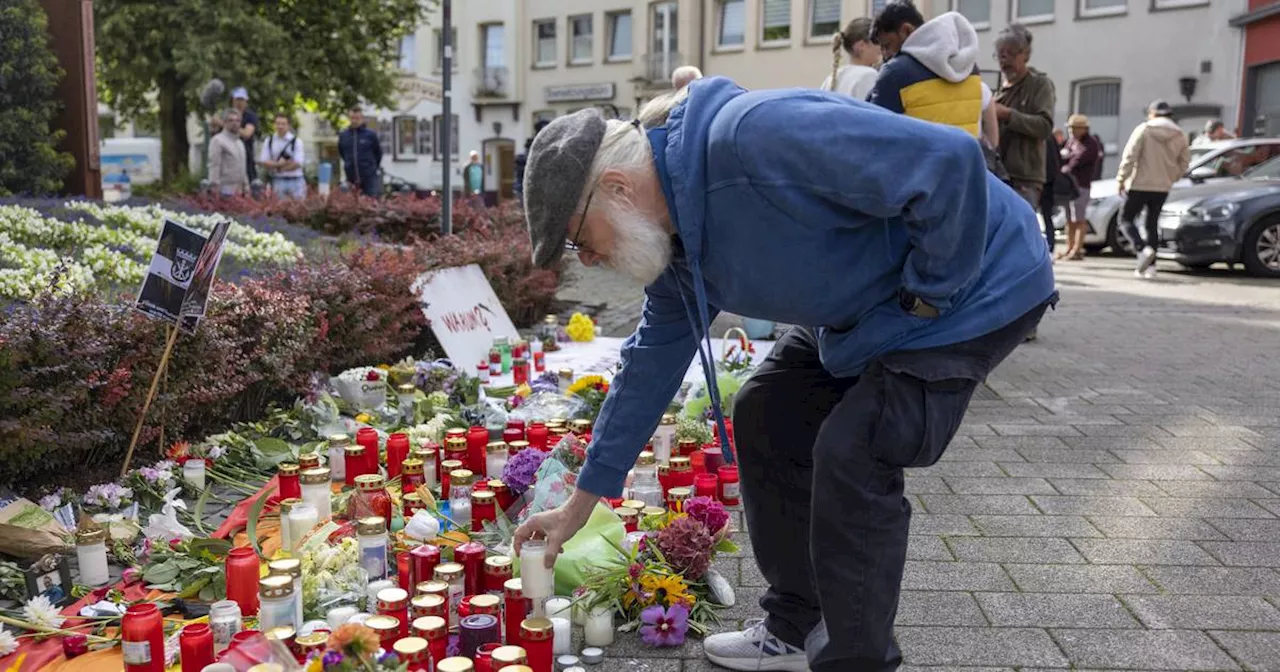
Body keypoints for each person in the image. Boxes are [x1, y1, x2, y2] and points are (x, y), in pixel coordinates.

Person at [515, 77, 1056, 672]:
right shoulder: (675, 249)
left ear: (616, 188)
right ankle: (794, 628)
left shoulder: (756, 138)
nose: (587, 259)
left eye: (578, 240)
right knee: (766, 410)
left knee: (857, 451)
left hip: (975, 284)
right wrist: (580, 505)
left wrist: (926, 297)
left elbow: (947, 160)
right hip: (873, 309)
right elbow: (645, 370)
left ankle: (856, 660)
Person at [867, 5, 999, 148]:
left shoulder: (895, 72)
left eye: (887, 46)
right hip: (965, 165)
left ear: (906, 30)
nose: (885, 55)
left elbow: (875, 133)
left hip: (920, 167)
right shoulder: (969, 67)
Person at [1116, 99, 1190, 278]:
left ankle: (1142, 249)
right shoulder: (1180, 134)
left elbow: (1130, 156)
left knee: (1125, 219)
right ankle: (1151, 268)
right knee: (1152, 224)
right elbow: (1185, 162)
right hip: (1162, 186)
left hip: (1140, 183)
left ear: (1152, 113)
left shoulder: (1144, 129)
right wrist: (1172, 177)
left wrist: (1121, 179)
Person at [993, 24, 1055, 209]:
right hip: (997, 175)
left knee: (1019, 233)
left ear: (1026, 54)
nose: (1005, 60)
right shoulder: (997, 89)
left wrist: (1007, 114)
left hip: (1024, 179)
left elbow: (1044, 126)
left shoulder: (1039, 84)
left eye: (1011, 53)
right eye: (1000, 54)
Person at [1058, 114, 1104, 260]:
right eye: (1070, 128)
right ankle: (1069, 247)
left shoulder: (1091, 144)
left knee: (1079, 219)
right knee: (1069, 219)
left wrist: (1067, 166)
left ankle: (1077, 250)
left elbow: (1078, 160)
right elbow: (1063, 156)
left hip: (1081, 186)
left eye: (1075, 128)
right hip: (1068, 186)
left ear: (1084, 129)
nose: (1071, 131)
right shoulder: (1071, 142)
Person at [821, 17, 880, 100]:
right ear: (862, 46)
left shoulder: (831, 77)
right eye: (877, 41)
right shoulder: (869, 75)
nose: (881, 46)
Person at [337, 106, 383, 197]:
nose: (354, 121)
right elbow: (342, 152)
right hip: (351, 178)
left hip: (369, 178)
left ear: (362, 119)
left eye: (357, 118)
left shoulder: (370, 135)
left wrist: (371, 167)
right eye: (352, 118)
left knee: (371, 203)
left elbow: (378, 153)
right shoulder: (344, 136)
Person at [259, 113, 306, 200]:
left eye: (283, 124)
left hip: (296, 180)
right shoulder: (269, 141)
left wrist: (276, 167)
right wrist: (281, 164)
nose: (280, 126)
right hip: (277, 180)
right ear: (274, 125)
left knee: (298, 209)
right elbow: (264, 162)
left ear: (288, 125)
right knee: (278, 208)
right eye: (278, 123)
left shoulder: (296, 141)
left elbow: (297, 163)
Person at [208, 108, 248, 196]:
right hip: (224, 190)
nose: (235, 123)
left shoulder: (240, 143)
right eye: (231, 120)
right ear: (224, 122)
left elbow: (243, 166)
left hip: (240, 191)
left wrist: (246, 186)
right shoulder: (218, 140)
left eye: (237, 120)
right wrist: (214, 187)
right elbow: (214, 165)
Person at [231, 87, 259, 184]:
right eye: (237, 100)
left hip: (246, 159)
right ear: (233, 101)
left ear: (246, 102)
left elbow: (247, 134)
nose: (239, 103)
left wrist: (226, 125)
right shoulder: (226, 114)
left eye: (241, 100)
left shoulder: (250, 116)